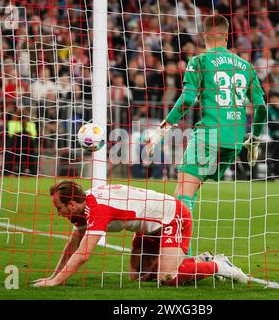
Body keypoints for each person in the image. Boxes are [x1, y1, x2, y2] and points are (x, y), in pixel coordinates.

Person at [145, 15, 266, 251]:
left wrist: (163, 129)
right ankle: (170, 248)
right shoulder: (246, 66)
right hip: (233, 141)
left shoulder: (200, 61)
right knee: (183, 192)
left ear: (204, 35)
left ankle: (180, 256)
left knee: (184, 195)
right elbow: (261, 107)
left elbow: (188, 98)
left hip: (209, 135)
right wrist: (255, 138)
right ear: (226, 35)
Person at [33, 180, 247, 287]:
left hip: (173, 216)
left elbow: (84, 253)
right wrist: (52, 276)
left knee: (166, 278)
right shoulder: (81, 210)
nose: (57, 213)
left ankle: (219, 266)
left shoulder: (97, 209)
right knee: (139, 278)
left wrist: (56, 282)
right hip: (148, 229)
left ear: (71, 204)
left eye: (57, 208)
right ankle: (200, 260)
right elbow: (72, 248)